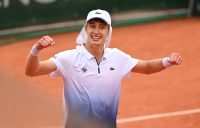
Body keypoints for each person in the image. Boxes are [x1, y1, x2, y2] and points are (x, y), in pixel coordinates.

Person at [25, 9, 182, 128]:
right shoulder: (69, 58)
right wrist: (36, 50)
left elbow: (146, 67)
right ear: (86, 29)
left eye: (102, 27)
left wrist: (167, 61)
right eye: (92, 26)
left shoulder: (117, 57)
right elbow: (32, 71)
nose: (96, 31)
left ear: (108, 32)